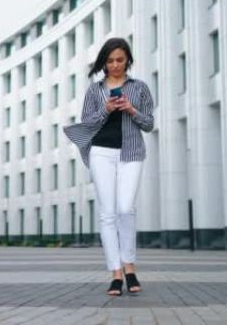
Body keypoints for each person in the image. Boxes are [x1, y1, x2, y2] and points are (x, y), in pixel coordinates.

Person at [63, 37, 154, 296]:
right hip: (101, 153)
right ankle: (116, 273)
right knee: (108, 213)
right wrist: (106, 109)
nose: (115, 65)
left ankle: (130, 267)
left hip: (131, 152)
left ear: (128, 61)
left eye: (120, 60)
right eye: (110, 60)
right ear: (104, 62)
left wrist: (131, 110)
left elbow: (149, 124)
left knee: (126, 208)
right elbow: (87, 123)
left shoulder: (139, 88)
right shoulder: (94, 90)